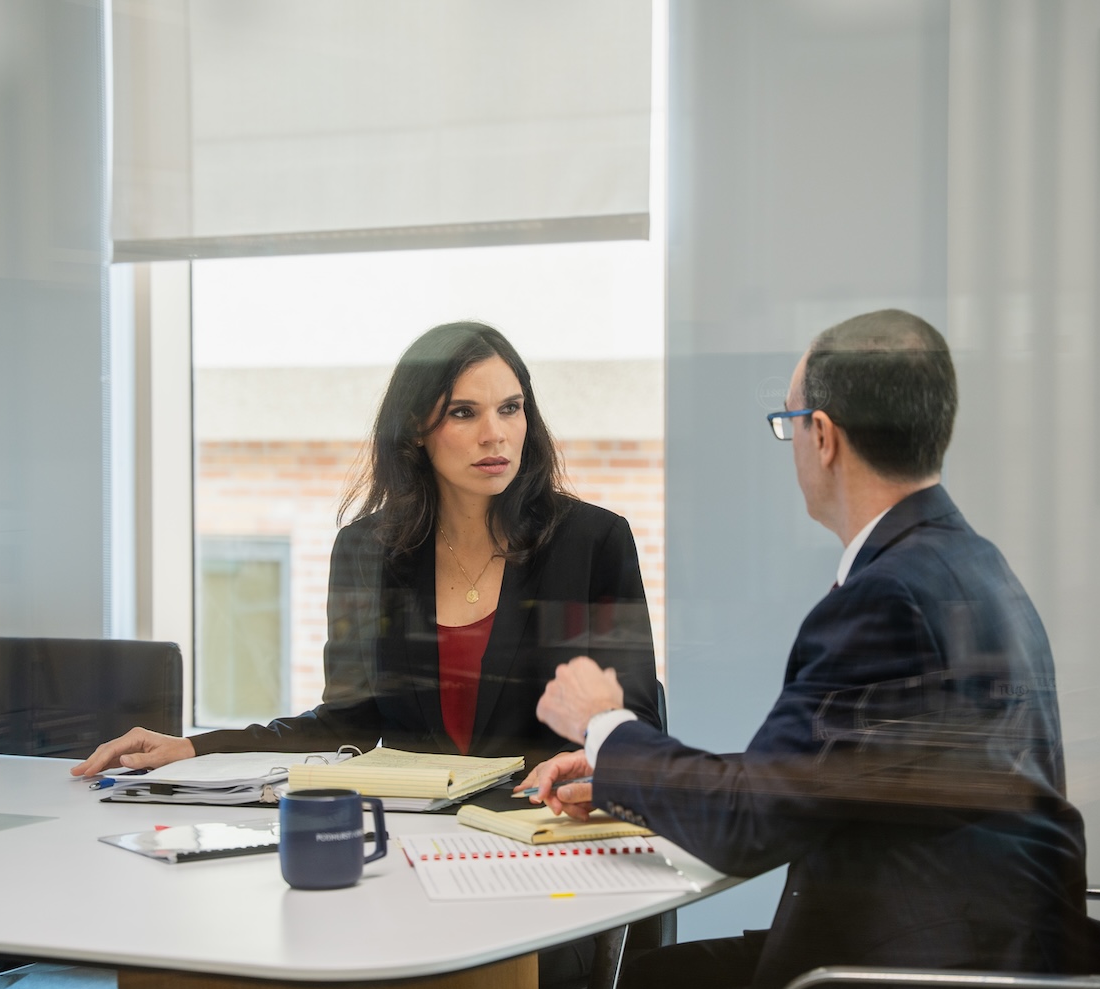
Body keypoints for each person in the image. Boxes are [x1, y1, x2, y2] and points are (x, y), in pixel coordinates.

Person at [521, 310, 1095, 989]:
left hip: (904, 972)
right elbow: (797, 780)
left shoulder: (886, 601)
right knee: (652, 980)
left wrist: (604, 721)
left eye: (789, 421)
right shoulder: (974, 565)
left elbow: (745, 825)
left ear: (821, 435)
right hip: (975, 950)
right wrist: (621, 766)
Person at [72, 320, 661, 775]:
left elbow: (635, 723)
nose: (495, 434)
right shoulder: (366, 551)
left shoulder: (593, 542)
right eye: (464, 412)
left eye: (510, 408)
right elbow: (343, 725)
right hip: (410, 846)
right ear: (414, 428)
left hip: (546, 838)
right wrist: (198, 747)